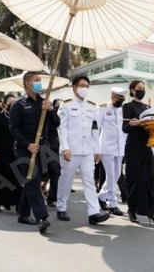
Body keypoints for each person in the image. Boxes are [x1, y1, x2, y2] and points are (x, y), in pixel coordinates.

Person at [56, 75, 110, 225]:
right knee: (66, 180)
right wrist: (65, 148)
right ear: (74, 87)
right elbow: (62, 128)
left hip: (87, 151)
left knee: (89, 181)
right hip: (70, 151)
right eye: (82, 85)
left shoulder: (92, 107)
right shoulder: (65, 105)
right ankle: (61, 207)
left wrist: (97, 149)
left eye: (87, 86)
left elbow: (94, 129)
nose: (85, 88)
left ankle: (94, 213)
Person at [9, 72, 59, 232]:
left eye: (40, 81)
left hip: (42, 147)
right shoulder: (19, 104)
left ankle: (23, 214)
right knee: (33, 180)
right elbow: (13, 128)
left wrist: (50, 109)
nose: (40, 83)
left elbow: (56, 123)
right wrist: (28, 144)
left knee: (32, 180)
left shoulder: (44, 102)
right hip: (25, 149)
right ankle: (41, 217)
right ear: (27, 84)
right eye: (36, 81)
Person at [122, 80, 154, 225]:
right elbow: (124, 128)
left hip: (147, 146)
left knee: (150, 178)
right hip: (133, 147)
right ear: (132, 90)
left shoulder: (148, 107)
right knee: (135, 178)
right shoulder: (127, 106)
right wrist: (132, 123)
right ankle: (132, 209)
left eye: (143, 88)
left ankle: (151, 211)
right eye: (139, 88)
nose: (142, 90)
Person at [96, 87, 128, 216]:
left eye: (122, 99)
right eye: (118, 98)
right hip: (106, 147)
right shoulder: (102, 109)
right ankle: (113, 203)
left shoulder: (123, 111)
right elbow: (96, 128)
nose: (120, 101)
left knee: (117, 175)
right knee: (110, 175)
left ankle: (101, 196)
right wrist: (96, 149)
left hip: (119, 147)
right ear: (112, 97)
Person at [0, 94, 21, 213]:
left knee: (17, 179)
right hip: (0, 153)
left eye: (15, 103)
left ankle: (18, 204)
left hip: (16, 153)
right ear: (4, 105)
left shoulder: (19, 118)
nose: (12, 105)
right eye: (10, 103)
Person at [45, 98, 62, 207]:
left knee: (55, 173)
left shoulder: (53, 115)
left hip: (53, 148)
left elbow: (57, 123)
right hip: (39, 147)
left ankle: (52, 197)